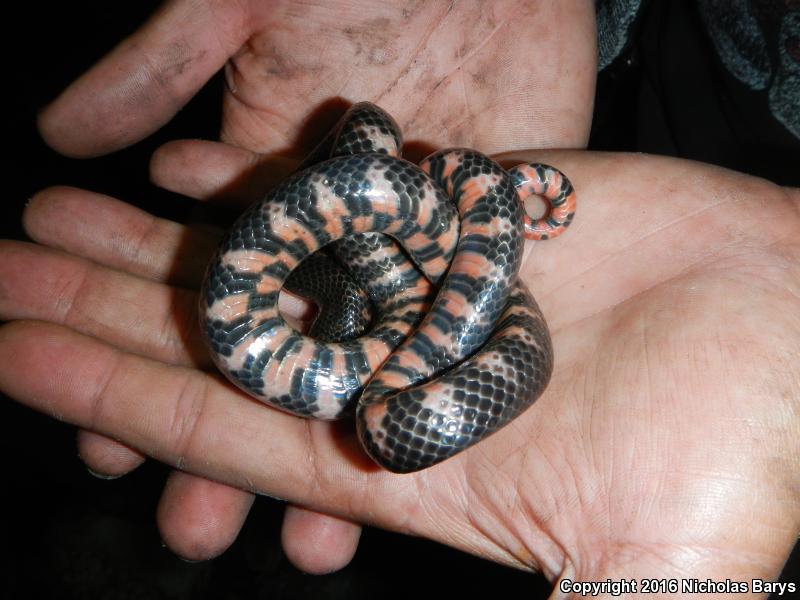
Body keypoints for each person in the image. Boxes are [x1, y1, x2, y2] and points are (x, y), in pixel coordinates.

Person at [1, 0, 797, 592]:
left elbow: (400, 174)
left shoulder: (398, 323)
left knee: (384, 167)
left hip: (398, 292)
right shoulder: (407, 299)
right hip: (665, 67)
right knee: (388, 169)